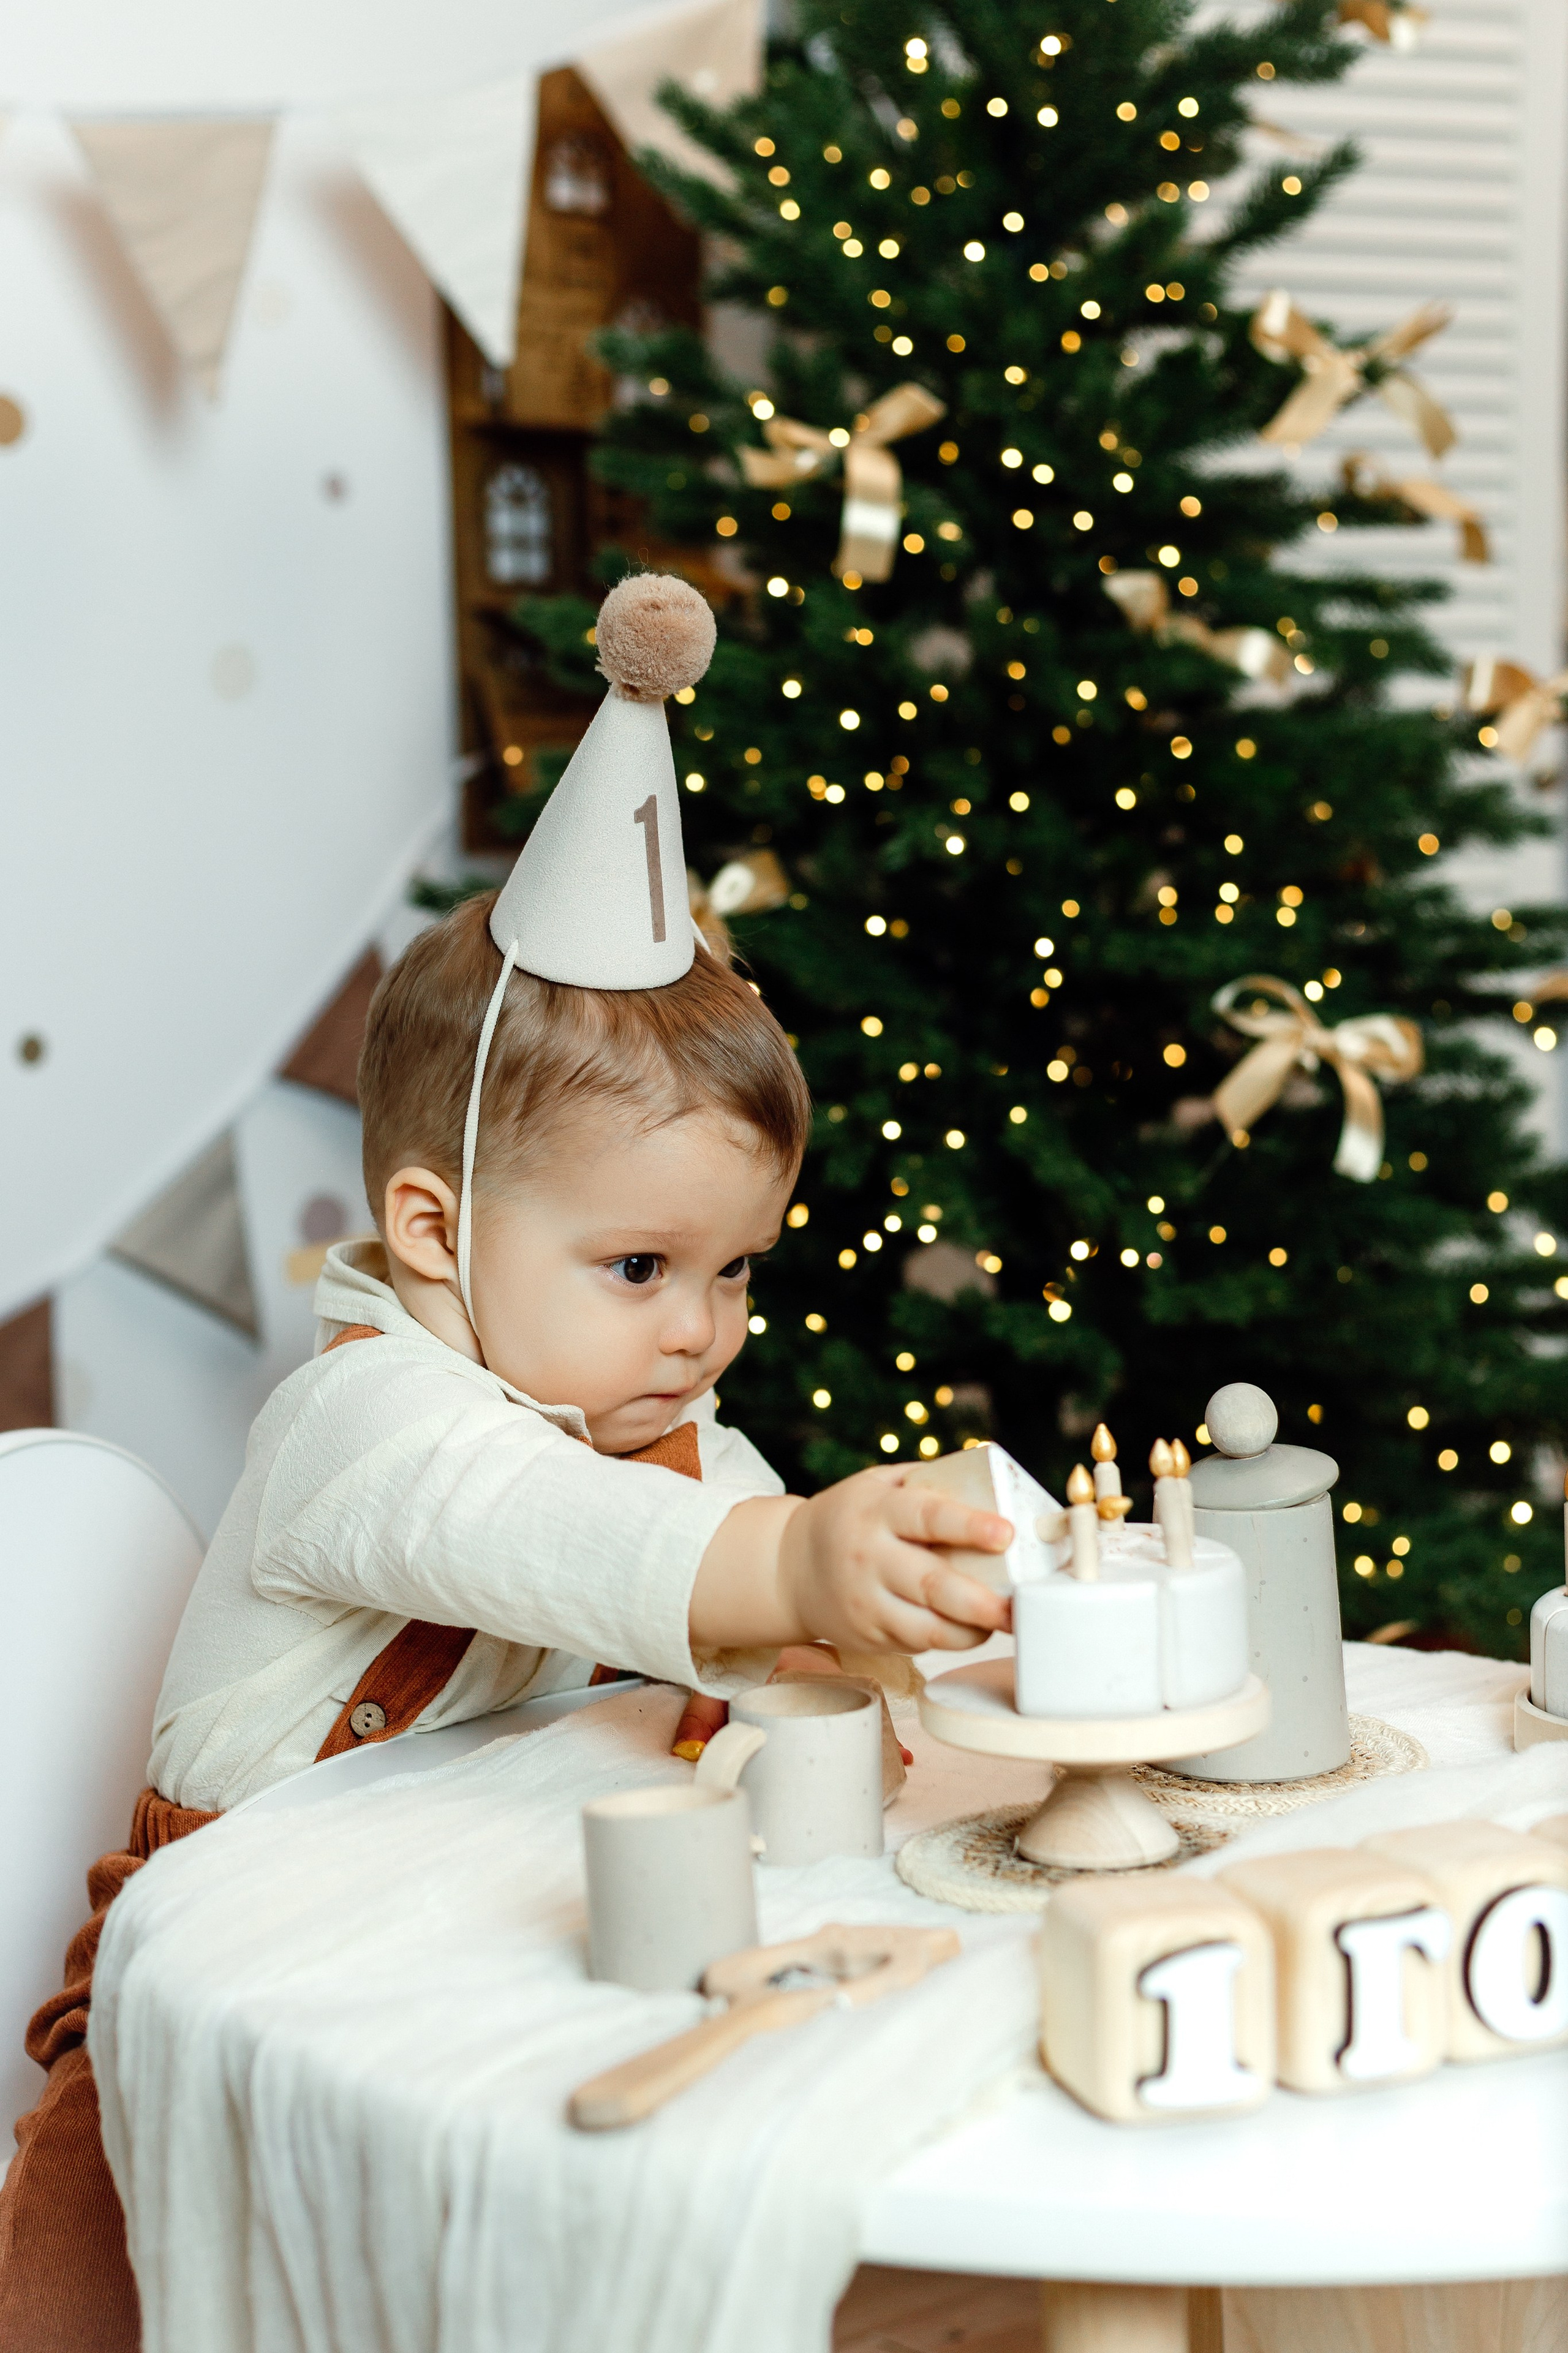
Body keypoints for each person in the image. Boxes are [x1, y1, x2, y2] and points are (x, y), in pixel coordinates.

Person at [0, 575, 1012, 2352]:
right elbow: (535, 1531)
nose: (701, 1328)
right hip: (218, 1989)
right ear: (432, 1230)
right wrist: (778, 1568)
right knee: (115, 2300)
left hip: (454, 1958)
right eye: (640, 1267)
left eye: (735, 1269)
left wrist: (867, 1619)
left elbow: (758, 1578)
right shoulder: (364, 1424)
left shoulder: (656, 1417)